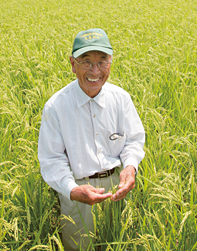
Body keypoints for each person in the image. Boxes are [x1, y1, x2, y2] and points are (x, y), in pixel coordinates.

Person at [38, 28, 145, 250]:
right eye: (86, 61)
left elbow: (133, 140)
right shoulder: (56, 106)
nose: (94, 70)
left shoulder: (121, 99)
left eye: (102, 61)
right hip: (77, 194)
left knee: (120, 244)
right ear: (72, 63)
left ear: (111, 61)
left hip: (118, 189)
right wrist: (72, 190)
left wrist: (130, 168)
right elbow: (51, 159)